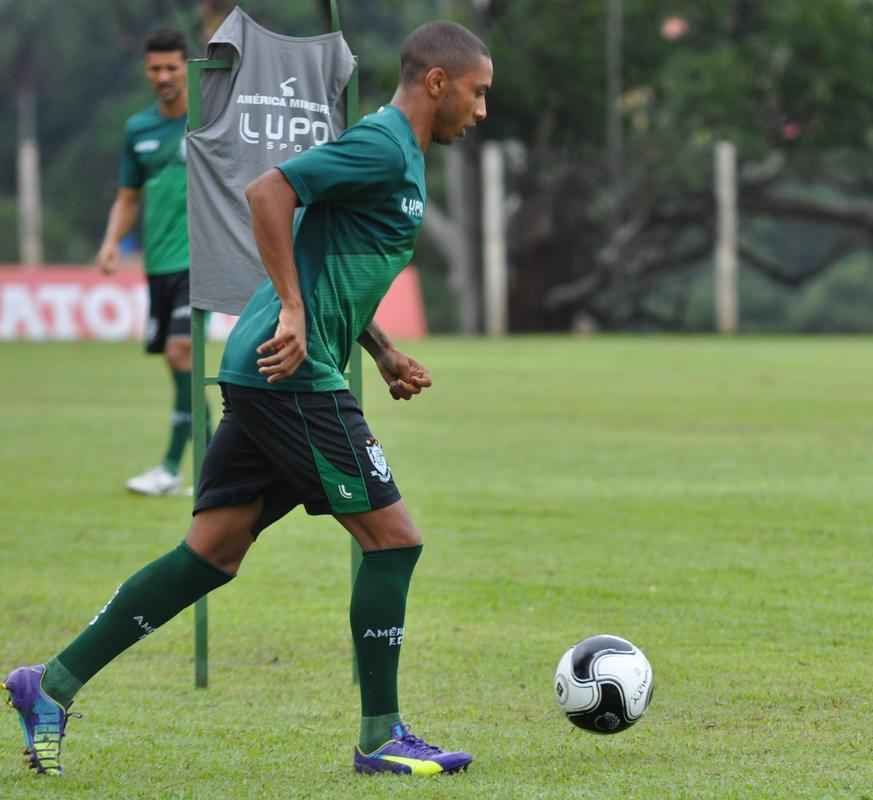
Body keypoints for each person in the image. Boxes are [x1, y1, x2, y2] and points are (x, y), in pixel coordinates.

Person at [4, 20, 493, 777]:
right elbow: (268, 190)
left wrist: (384, 350)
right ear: (438, 82)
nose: (482, 108)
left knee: (212, 553)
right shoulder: (383, 144)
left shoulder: (403, 157)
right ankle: (380, 736)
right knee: (393, 539)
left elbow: (337, 264)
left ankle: (51, 684)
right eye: (478, 92)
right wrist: (294, 313)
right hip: (289, 372)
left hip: (269, 368)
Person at [96, 29, 205, 496]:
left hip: (199, 261)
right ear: (147, 72)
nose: (163, 76)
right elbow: (127, 198)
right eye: (155, 69)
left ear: (187, 68)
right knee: (180, 366)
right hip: (158, 265)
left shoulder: (207, 120)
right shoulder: (138, 129)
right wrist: (110, 243)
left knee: (184, 354)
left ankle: (171, 467)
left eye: (172, 68)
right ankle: (216, 468)